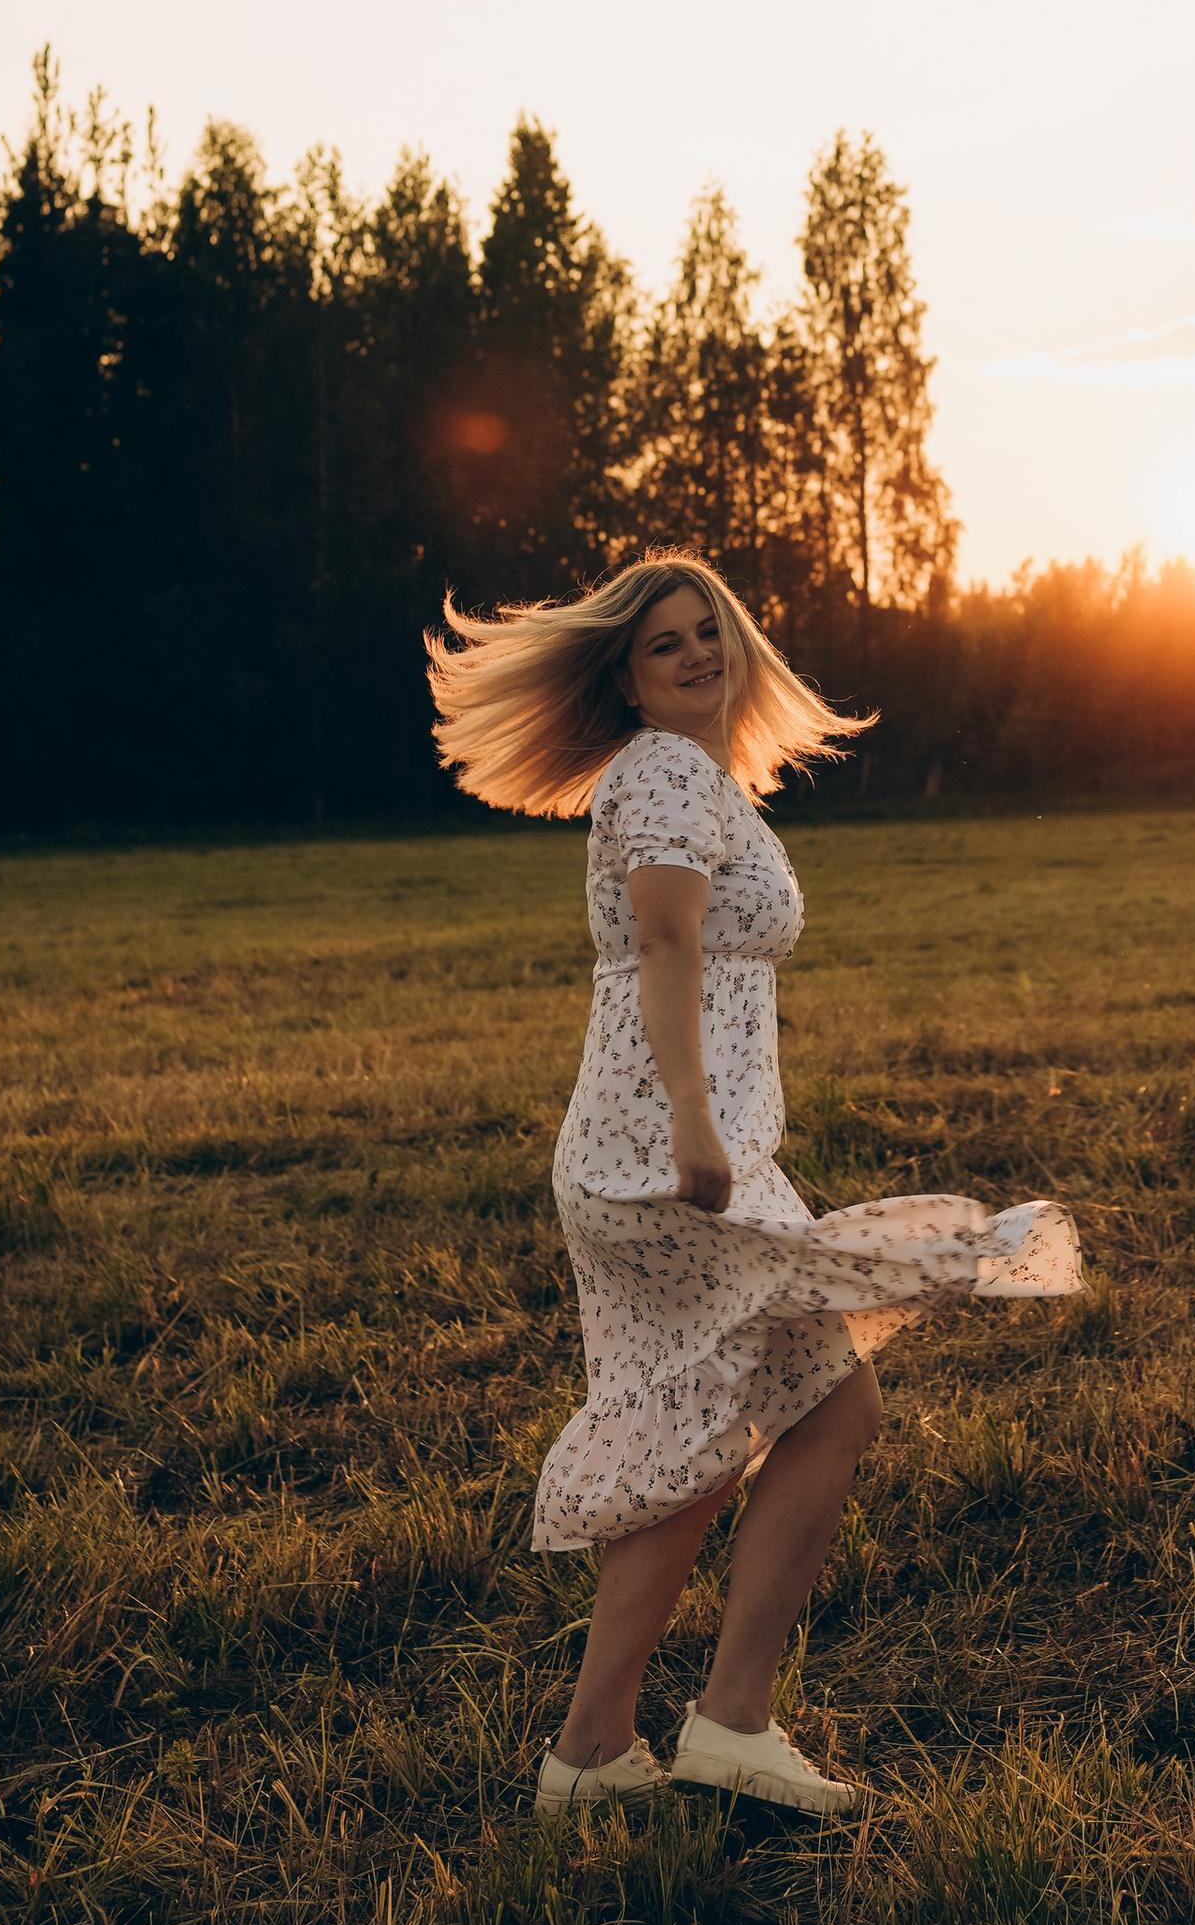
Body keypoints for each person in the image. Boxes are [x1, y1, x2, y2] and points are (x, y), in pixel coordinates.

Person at [426, 554, 1078, 1822]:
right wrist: (693, 1122)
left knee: (759, 1424)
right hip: (661, 1156)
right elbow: (666, 943)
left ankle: (628, 1742)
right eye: (663, 644)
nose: (695, 655)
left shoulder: (691, 778)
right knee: (782, 1420)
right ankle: (690, 1729)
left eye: (707, 631)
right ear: (624, 674)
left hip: (659, 1153)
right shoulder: (665, 773)